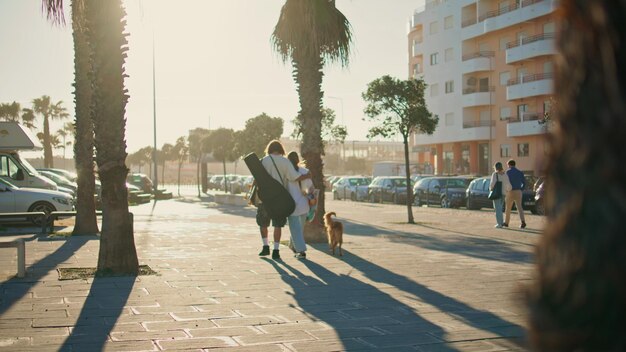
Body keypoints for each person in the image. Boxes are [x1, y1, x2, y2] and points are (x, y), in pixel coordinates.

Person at [260, 140, 310, 260]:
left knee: (263, 222)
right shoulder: (285, 161)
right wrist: (307, 176)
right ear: (281, 149)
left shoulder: (264, 160)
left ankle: (265, 246)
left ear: (269, 149)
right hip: (280, 197)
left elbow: (258, 178)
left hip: (265, 197)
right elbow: (294, 177)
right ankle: (276, 250)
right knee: (278, 224)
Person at [286, 151, 311, 259]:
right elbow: (310, 188)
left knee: (295, 229)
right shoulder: (305, 171)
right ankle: (292, 245)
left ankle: (301, 251)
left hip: (291, 205)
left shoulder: (287, 172)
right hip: (304, 204)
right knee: (299, 229)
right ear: (298, 160)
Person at [503, 159, 526, 228]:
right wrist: (521, 189)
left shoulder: (507, 172)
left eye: (507, 165)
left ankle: (506, 223)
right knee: (519, 207)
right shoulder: (520, 172)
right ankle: (523, 222)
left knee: (508, 208)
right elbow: (524, 183)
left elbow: (505, 182)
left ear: (509, 165)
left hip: (510, 191)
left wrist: (505, 190)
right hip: (518, 191)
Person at [489, 162, 511, 228]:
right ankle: (501, 222)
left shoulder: (495, 174)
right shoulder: (505, 175)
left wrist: (490, 189)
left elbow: (492, 184)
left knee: (497, 209)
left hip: (497, 194)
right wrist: (507, 190)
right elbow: (509, 185)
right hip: (504, 194)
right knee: (500, 209)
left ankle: (499, 223)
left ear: (495, 167)